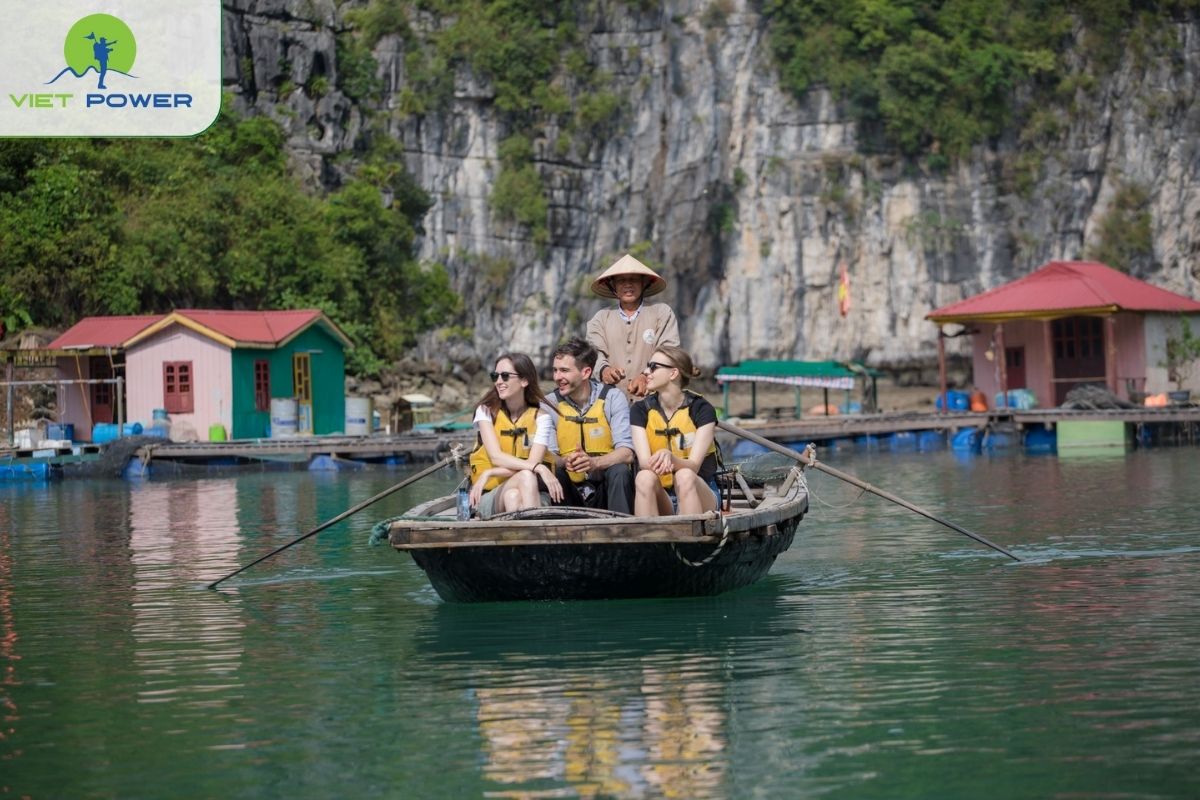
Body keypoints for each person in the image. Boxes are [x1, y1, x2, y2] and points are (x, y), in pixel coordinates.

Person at [467, 352, 564, 518]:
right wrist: (539, 468)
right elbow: (496, 457)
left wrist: (490, 473)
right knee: (527, 474)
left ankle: (521, 542)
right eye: (495, 376)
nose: (498, 382)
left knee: (513, 496)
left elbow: (531, 463)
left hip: (530, 491)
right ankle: (537, 537)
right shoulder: (485, 412)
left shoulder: (542, 418)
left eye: (505, 376)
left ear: (524, 381)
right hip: (491, 495)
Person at [630, 345, 722, 517]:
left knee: (685, 475)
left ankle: (692, 541)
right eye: (648, 365)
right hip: (662, 495)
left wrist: (670, 457)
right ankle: (646, 541)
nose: (645, 371)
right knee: (643, 477)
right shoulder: (639, 410)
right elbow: (644, 462)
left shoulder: (702, 409)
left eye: (653, 367)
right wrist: (661, 459)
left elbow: (693, 466)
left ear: (673, 374)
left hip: (701, 492)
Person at [547, 337, 635, 514]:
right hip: (568, 489)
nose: (557, 377)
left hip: (605, 485)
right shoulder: (548, 404)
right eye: (555, 370)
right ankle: (561, 534)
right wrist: (566, 461)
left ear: (586, 372)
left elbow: (627, 453)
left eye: (564, 371)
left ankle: (623, 533)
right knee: (554, 473)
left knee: (620, 471)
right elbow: (550, 456)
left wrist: (594, 463)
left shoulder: (613, 398)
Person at [586, 253, 680, 399]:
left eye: (634, 280)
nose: (628, 285)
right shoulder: (601, 318)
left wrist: (645, 376)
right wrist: (605, 370)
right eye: (621, 280)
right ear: (613, 286)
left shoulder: (662, 313)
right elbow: (594, 352)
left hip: (654, 400)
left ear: (644, 284)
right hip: (609, 401)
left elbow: (669, 352)